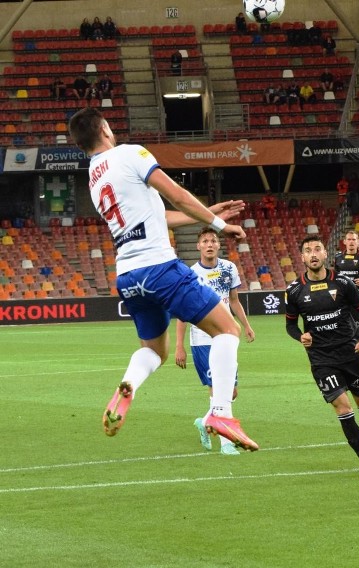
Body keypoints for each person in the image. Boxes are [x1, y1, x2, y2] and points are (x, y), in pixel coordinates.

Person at [67, 107, 258, 451]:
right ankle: (221, 412)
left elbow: (158, 216)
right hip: (159, 268)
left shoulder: (95, 179)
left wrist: (209, 211)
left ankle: (129, 383)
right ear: (106, 128)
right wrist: (220, 226)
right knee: (227, 330)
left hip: (128, 276)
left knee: (155, 352)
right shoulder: (130, 153)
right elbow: (177, 195)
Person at [285, 236, 359, 481]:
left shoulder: (344, 283)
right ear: (302, 258)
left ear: (325, 255)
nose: (313, 254)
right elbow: (290, 325)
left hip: (351, 354)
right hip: (322, 359)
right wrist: (299, 336)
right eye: (307, 251)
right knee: (343, 408)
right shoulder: (294, 291)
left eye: (317, 249)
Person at [175, 228, 256, 456]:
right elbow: (183, 312)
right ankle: (226, 441)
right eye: (205, 241)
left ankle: (205, 421)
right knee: (217, 389)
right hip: (202, 338)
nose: (209, 244)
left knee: (231, 392)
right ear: (198, 246)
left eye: (213, 240)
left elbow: (234, 300)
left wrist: (246, 325)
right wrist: (179, 346)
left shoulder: (229, 268)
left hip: (227, 336)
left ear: (218, 245)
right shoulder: (190, 275)